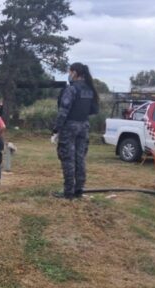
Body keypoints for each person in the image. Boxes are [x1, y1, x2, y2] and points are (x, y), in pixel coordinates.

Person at [52, 62, 100, 199]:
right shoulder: (90, 90)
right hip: (84, 126)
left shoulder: (71, 89)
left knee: (68, 158)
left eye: (69, 72)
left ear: (74, 72)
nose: (69, 75)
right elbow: (94, 110)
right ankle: (79, 189)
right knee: (80, 158)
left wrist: (56, 129)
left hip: (70, 127)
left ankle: (68, 192)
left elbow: (63, 111)